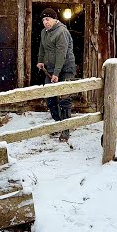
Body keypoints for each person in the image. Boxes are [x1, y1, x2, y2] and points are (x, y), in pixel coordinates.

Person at [36, 8, 76, 142]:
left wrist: (57, 73)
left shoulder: (61, 32)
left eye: (47, 19)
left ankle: (65, 130)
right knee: (49, 96)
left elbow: (61, 54)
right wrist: (40, 60)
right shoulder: (44, 32)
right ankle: (59, 122)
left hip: (65, 69)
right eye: (43, 20)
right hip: (51, 68)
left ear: (55, 19)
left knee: (64, 99)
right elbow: (42, 47)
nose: (45, 22)